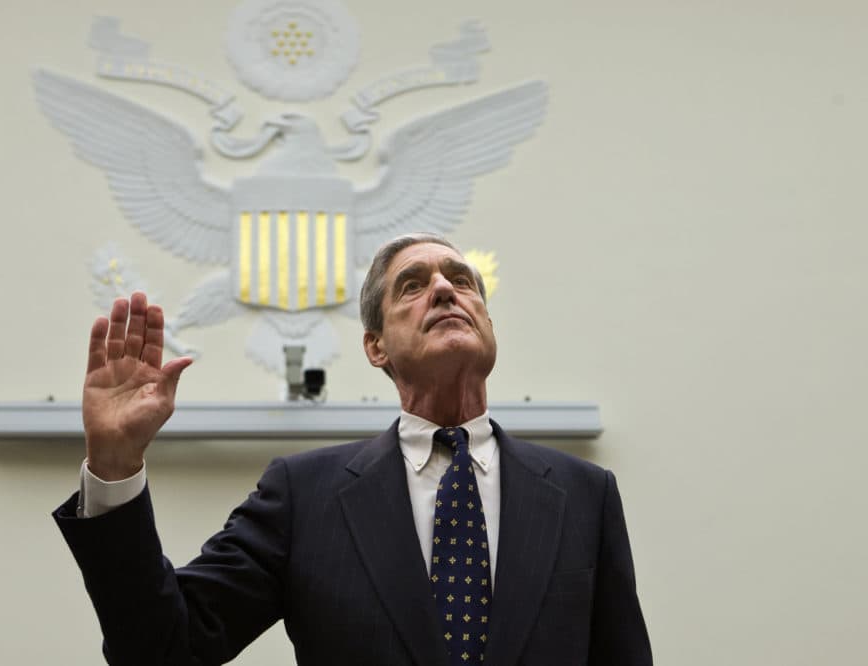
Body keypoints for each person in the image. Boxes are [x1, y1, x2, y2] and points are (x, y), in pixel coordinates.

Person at [54, 232, 652, 665]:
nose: (444, 289)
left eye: (460, 281)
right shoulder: (304, 496)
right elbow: (163, 650)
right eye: (413, 286)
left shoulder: (583, 495)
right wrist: (115, 466)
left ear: (487, 324)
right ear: (376, 348)